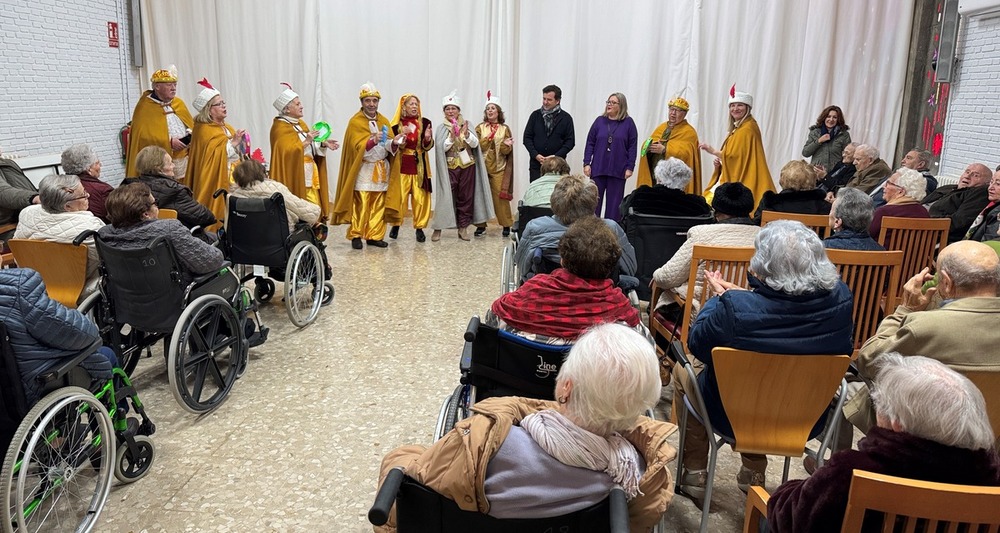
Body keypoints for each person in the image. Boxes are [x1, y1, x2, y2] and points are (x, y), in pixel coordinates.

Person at [374, 323, 677, 533]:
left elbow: (410, 496)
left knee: (401, 459)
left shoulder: (487, 446)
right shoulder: (637, 476)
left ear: (565, 388)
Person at [673, 220, 853, 498]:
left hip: (731, 415)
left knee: (683, 369)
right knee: (764, 376)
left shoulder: (734, 308)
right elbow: (786, 311)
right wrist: (740, 298)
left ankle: (695, 472)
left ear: (765, 265)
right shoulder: (841, 300)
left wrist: (720, 300)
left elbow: (697, 344)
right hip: (805, 417)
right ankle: (753, 471)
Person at [768, 354, 1000, 533]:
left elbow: (788, 519)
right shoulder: (990, 477)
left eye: (879, 405)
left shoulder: (851, 471)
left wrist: (788, 490)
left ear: (898, 424)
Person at [844, 239, 1000, 433]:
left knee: (843, 385)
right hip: (987, 443)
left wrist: (905, 310)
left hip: (920, 437)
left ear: (947, 282)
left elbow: (867, 361)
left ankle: (838, 461)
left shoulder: (927, 328)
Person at [491, 217, 643, 343]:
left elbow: (493, 317)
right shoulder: (621, 309)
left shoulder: (531, 291)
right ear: (612, 266)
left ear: (562, 260)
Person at [0, 268, 114, 408]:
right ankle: (118, 421)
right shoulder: (19, 286)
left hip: (6, 405)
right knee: (107, 355)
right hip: (34, 390)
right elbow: (80, 333)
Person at [651, 182, 760, 313]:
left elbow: (667, 278)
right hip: (747, 311)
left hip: (702, 312)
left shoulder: (701, 234)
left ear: (717, 211)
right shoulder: (764, 237)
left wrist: (656, 276)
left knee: (658, 287)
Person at [516, 175, 636, 284]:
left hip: (549, 290)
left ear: (554, 202)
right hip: (600, 295)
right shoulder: (611, 228)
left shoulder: (536, 227)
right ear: (594, 202)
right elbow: (630, 268)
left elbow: (522, 269)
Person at [99, 182, 224, 286]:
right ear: (145, 214)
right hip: (172, 300)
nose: (157, 207)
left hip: (127, 302)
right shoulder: (169, 229)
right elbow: (210, 262)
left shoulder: (105, 234)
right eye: (155, 203)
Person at [229, 159, 332, 280]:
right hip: (279, 242)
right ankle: (319, 273)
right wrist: (316, 209)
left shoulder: (235, 196)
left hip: (246, 246)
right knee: (312, 228)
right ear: (261, 173)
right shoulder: (274, 188)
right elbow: (308, 213)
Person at [13, 174, 105, 301]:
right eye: (83, 194)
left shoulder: (27, 215)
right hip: (79, 289)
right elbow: (104, 260)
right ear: (67, 207)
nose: (88, 195)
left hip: (37, 286)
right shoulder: (89, 227)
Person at [332, 82, 398, 250]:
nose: (371, 104)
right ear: (361, 102)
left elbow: (388, 143)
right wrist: (371, 140)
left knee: (378, 203)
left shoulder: (383, 120)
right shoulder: (355, 122)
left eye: (374, 101)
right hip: (364, 169)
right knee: (361, 202)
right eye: (368, 100)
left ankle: (374, 235)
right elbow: (356, 146)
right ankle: (356, 234)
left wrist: (395, 142)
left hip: (382, 168)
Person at [430, 91, 494, 242]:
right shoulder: (441, 128)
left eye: (453, 108)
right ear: (443, 111)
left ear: (459, 110)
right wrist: (451, 138)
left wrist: (466, 135)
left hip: (467, 166)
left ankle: (463, 228)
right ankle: (438, 227)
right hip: (450, 168)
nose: (451, 111)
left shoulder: (467, 125)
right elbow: (441, 148)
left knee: (466, 197)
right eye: (447, 108)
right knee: (445, 197)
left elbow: (476, 144)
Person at [270, 83, 339, 221]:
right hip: (296, 175)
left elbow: (308, 148)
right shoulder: (280, 127)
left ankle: (316, 236)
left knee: (314, 206)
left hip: (310, 176)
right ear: (287, 109)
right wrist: (307, 141)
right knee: (304, 209)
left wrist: (322, 143)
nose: (301, 106)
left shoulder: (300, 124)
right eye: (297, 104)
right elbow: (286, 152)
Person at [700, 88, 774, 206]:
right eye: (732, 105)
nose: (735, 109)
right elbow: (735, 156)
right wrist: (720, 164)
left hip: (744, 178)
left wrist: (713, 151)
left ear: (747, 107)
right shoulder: (740, 127)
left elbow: (734, 157)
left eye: (740, 105)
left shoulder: (747, 129)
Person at [187, 79, 246, 228]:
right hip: (217, 178)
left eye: (223, 102)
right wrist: (233, 143)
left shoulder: (227, 127)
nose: (224, 106)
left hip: (234, 177)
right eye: (219, 104)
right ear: (209, 109)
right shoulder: (203, 130)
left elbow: (235, 152)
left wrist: (241, 144)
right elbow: (212, 156)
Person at [125, 65, 194, 181]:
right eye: (169, 85)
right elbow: (142, 138)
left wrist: (190, 134)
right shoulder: (145, 107)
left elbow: (190, 124)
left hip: (184, 159)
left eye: (175, 84)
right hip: (160, 163)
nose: (173, 88)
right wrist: (169, 141)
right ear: (157, 86)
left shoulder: (178, 103)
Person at [123, 145, 216, 230]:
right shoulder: (175, 191)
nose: (173, 166)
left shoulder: (128, 187)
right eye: (170, 163)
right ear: (159, 168)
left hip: (140, 239)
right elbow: (206, 217)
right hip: (175, 240)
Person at [386, 94, 433, 242]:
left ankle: (419, 228)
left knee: (420, 198)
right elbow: (393, 146)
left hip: (420, 165)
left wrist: (427, 139)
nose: (414, 106)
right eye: (411, 104)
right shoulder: (396, 125)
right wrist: (401, 138)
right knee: (400, 198)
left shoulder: (425, 123)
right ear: (404, 107)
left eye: (416, 104)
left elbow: (427, 146)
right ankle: (396, 224)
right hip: (402, 165)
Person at [583, 92, 638, 221]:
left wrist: (630, 167)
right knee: (594, 203)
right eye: (608, 102)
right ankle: (591, 229)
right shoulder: (599, 121)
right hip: (598, 168)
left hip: (618, 170)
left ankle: (611, 233)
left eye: (613, 103)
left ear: (621, 106)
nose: (609, 105)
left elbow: (632, 147)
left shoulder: (629, 123)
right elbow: (590, 142)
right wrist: (586, 163)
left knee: (614, 207)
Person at [636, 96, 702, 195]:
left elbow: (688, 155)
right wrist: (649, 146)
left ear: (684, 114)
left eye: (677, 110)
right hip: (657, 177)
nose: (673, 113)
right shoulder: (661, 127)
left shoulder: (689, 132)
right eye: (671, 109)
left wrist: (665, 150)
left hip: (676, 180)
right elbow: (649, 142)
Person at [619, 157, 711, 223]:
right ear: (685, 181)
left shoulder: (640, 196)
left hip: (642, 248)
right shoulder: (698, 205)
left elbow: (623, 212)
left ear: (658, 177)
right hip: (682, 248)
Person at [476, 92, 515, 237]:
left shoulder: (504, 129)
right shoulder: (480, 128)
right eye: (488, 109)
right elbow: (477, 146)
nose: (490, 111)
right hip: (482, 168)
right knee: (479, 196)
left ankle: (506, 224)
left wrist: (507, 145)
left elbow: (506, 151)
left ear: (498, 111)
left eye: (493, 108)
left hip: (499, 168)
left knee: (500, 197)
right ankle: (480, 225)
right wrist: (488, 138)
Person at [923, 162, 992, 243]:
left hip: (930, 234)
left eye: (976, 175)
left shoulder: (979, 194)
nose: (967, 176)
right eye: (967, 172)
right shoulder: (947, 188)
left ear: (987, 183)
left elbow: (958, 222)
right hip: (917, 222)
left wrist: (924, 222)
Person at [523, 85, 575, 182]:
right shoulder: (535, 116)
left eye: (549, 100)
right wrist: (536, 155)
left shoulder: (566, 118)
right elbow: (527, 138)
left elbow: (570, 142)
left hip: (558, 166)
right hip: (537, 165)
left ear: (558, 100)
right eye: (544, 99)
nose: (545, 102)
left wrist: (556, 156)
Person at [751, 160, 830, 224]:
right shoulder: (823, 206)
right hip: (811, 243)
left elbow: (757, 226)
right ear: (813, 180)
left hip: (776, 243)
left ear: (783, 179)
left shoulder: (769, 203)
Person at [868, 167, 929, 238]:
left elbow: (865, 235)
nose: (883, 186)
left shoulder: (884, 212)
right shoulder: (924, 213)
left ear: (900, 191)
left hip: (885, 249)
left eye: (888, 183)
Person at [60, 144, 113, 222]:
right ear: (89, 169)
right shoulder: (103, 190)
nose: (100, 165)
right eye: (97, 163)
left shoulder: (58, 186)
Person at [870, 148, 937, 207]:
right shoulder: (898, 175)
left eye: (908, 158)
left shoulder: (923, 181)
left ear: (921, 164)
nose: (902, 161)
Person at [801, 105, 852, 174]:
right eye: (828, 116)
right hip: (816, 174)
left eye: (835, 117)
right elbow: (805, 153)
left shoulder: (843, 135)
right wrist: (819, 141)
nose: (831, 119)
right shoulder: (815, 132)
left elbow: (848, 155)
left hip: (835, 175)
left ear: (838, 119)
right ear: (824, 117)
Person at [0, 153, 39, 240]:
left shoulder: (7, 163)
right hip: (8, 227)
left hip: (24, 218)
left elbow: (24, 188)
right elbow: (3, 192)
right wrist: (33, 198)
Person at [964, 169, 1000, 242]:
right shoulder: (992, 205)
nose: (990, 188)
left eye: (998, 184)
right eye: (991, 182)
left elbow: (990, 245)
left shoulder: (997, 213)